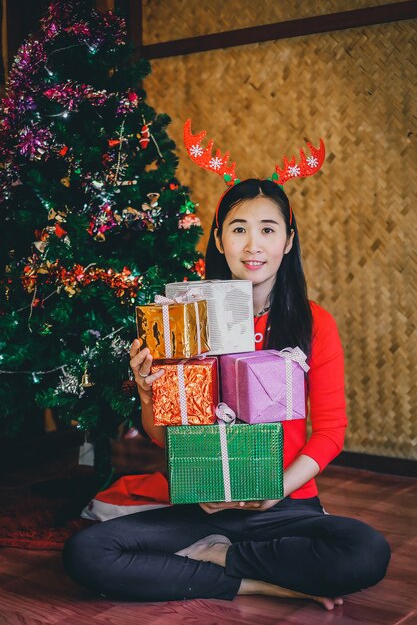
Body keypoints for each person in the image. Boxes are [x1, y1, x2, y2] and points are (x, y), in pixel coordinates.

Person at [63, 176, 390, 609]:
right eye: (239, 229)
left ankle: (219, 558)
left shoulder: (314, 324)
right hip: (201, 502)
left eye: (268, 229)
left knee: (366, 552)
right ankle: (252, 580)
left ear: (288, 241)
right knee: (86, 554)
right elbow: (164, 438)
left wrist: (277, 489)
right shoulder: (183, 320)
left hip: (283, 504)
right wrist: (147, 396)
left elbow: (330, 431)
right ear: (219, 239)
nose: (253, 244)